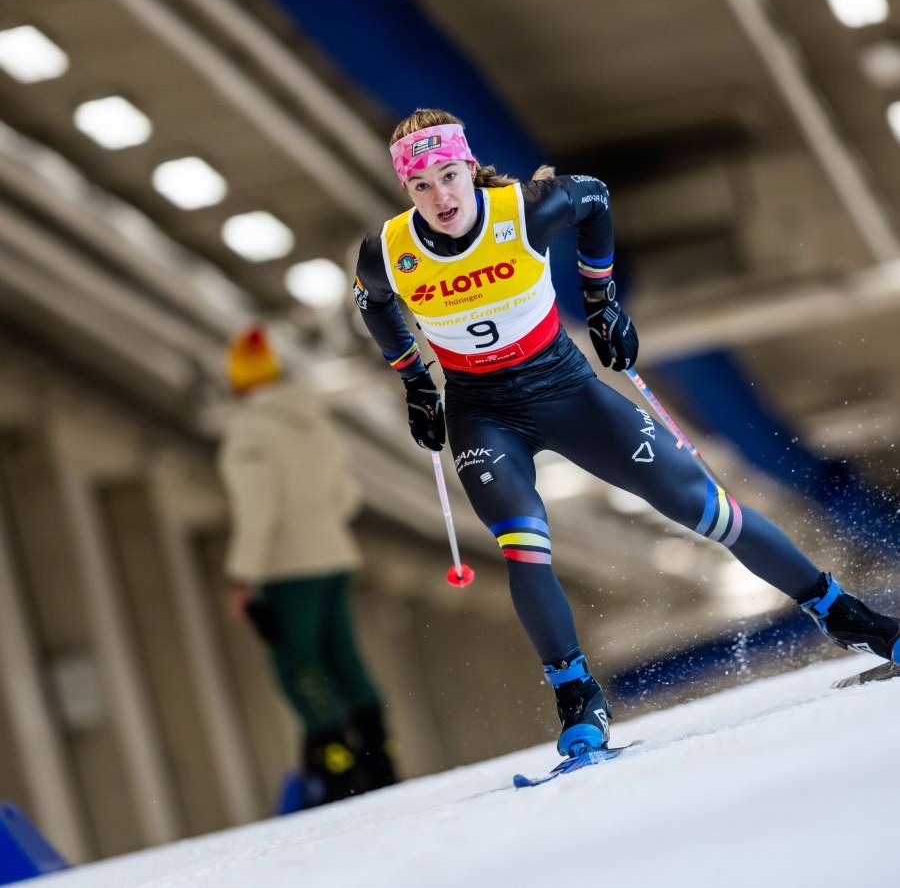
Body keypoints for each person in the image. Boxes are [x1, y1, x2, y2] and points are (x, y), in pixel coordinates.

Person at [352, 107, 900, 760]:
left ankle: (844, 615)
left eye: (448, 175)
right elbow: (373, 300)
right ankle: (577, 696)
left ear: (468, 167)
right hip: (484, 414)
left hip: (568, 394)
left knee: (709, 511)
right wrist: (414, 381)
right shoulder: (388, 250)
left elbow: (594, 198)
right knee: (524, 545)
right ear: (406, 191)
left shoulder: (522, 211)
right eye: (422, 186)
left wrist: (602, 301)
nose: (440, 196)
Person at [218, 324, 398, 805]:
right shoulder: (315, 421)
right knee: (343, 656)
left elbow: (260, 510)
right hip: (335, 555)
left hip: (287, 568)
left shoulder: (250, 431)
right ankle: (380, 755)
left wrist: (242, 576)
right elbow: (347, 496)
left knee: (298, 665)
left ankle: (337, 763)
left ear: (239, 380)